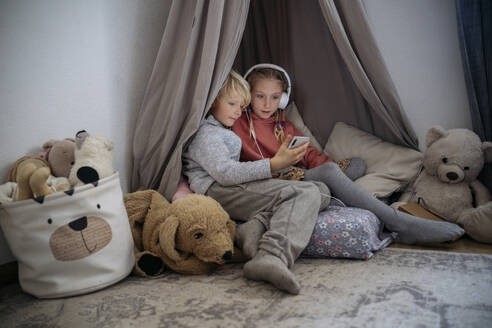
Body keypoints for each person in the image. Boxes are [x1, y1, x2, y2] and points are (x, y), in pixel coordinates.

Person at [232, 63, 465, 247]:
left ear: (283, 99)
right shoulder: (239, 123)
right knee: (330, 172)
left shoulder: (285, 125)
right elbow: (240, 163)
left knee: (355, 165)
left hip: (300, 174)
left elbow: (310, 154)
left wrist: (330, 169)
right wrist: (326, 172)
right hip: (271, 180)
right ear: (248, 95)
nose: (267, 103)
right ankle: (399, 223)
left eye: (275, 97)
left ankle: (339, 190)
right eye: (260, 96)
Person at [182, 70, 331, 295]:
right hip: (218, 190)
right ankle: (272, 256)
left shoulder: (220, 129)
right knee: (305, 193)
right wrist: (273, 165)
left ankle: (254, 225)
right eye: (232, 104)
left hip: (231, 187)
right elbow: (226, 173)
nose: (237, 112)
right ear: (212, 101)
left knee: (321, 190)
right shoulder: (207, 134)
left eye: (241, 107)